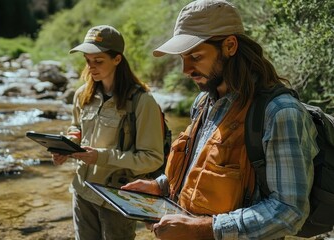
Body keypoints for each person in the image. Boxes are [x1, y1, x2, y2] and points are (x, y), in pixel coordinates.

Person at [122, 0, 319, 239]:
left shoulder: (279, 112)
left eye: (195, 56)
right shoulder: (203, 102)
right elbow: (198, 168)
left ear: (230, 46)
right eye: (182, 58)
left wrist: (203, 229)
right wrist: (161, 186)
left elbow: (289, 212)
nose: (186, 69)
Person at [51, 25, 164, 240]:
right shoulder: (82, 94)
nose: (91, 67)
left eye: (98, 61)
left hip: (117, 198)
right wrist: (69, 142)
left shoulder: (142, 102)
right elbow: (76, 126)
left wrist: (100, 157)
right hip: (82, 192)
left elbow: (152, 159)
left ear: (117, 59)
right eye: (88, 61)